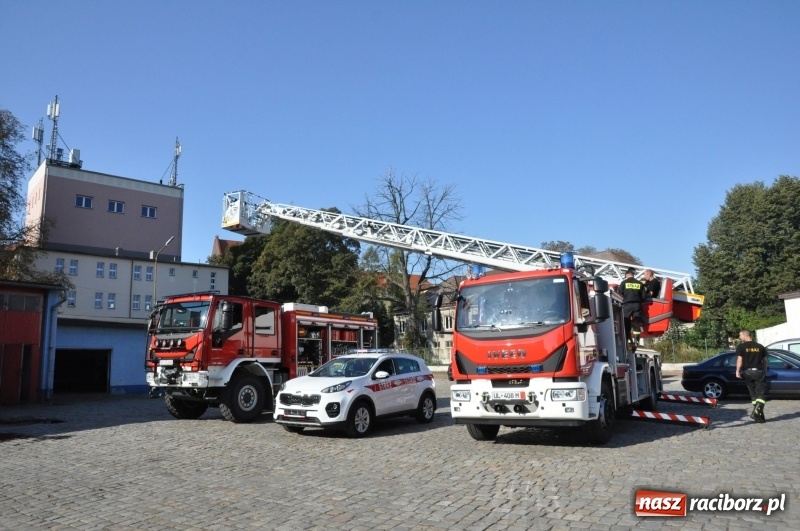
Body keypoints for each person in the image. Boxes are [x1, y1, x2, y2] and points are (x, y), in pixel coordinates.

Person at [735, 330, 768, 423]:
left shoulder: (741, 347)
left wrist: (737, 371)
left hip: (747, 372)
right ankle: (756, 413)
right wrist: (764, 371)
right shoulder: (760, 347)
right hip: (758, 372)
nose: (740, 337)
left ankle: (759, 416)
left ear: (746, 336)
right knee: (762, 394)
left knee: (753, 394)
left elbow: (739, 361)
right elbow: (765, 361)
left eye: (740, 335)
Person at [617, 268, 645, 346]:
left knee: (626, 321)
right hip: (637, 305)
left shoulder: (624, 283)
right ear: (633, 275)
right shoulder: (639, 283)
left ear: (627, 274)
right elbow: (644, 296)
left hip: (627, 304)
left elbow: (619, 293)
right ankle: (637, 339)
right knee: (637, 322)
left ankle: (626, 338)